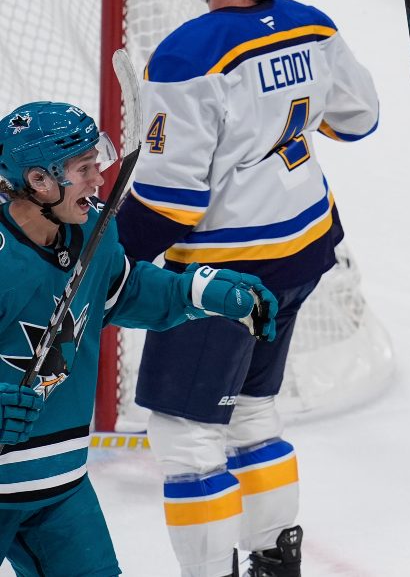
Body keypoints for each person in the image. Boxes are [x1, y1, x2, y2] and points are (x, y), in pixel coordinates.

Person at [113, 0, 379, 575]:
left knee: (185, 434)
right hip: (305, 249)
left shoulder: (188, 53)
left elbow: (172, 203)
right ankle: (274, 558)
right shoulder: (313, 25)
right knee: (252, 408)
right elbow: (359, 118)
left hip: (226, 272)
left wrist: (107, 260)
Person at [0, 101, 278, 576]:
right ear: (39, 181)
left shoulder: (91, 231)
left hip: (59, 487)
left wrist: (196, 290)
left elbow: (123, 290)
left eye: (97, 162)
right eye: (83, 169)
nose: (98, 181)